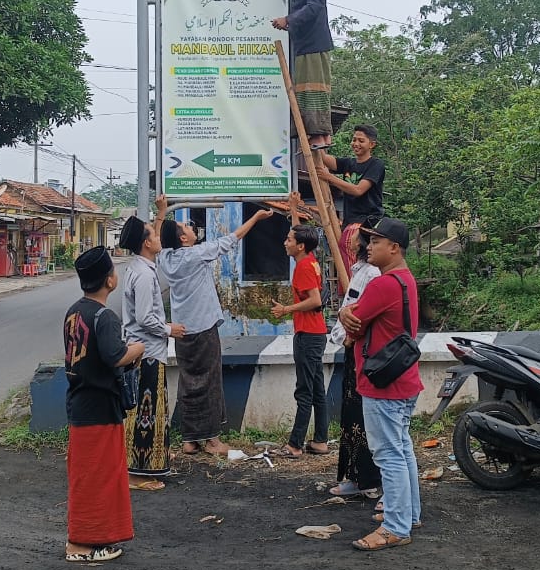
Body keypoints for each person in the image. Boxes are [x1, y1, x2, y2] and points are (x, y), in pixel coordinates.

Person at [158, 204, 276, 455]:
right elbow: (232, 238)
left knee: (188, 381)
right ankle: (212, 440)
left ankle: (190, 439)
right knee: (209, 381)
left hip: (182, 331)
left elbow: (159, 237)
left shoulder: (165, 259)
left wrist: (160, 213)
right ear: (182, 239)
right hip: (203, 327)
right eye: (185, 227)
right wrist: (255, 216)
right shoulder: (196, 254)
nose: (190, 227)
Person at [340, 217, 422, 551]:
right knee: (402, 449)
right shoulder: (405, 280)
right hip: (402, 379)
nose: (368, 246)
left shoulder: (383, 284)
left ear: (395, 248)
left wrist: (346, 315)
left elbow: (354, 325)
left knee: (388, 455)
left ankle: (396, 527)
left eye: (375, 242)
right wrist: (349, 314)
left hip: (382, 384)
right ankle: (408, 514)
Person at [62, 246, 144, 563]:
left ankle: (89, 540)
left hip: (80, 402)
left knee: (86, 475)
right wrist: (137, 349)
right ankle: (82, 545)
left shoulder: (73, 311)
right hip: (99, 407)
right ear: (109, 280)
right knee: (98, 477)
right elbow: (115, 356)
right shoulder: (104, 316)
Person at [119, 197, 186, 489]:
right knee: (145, 414)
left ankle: (147, 464)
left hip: (143, 349)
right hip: (147, 351)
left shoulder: (139, 266)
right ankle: (139, 473)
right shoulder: (144, 276)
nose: (159, 238)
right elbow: (146, 318)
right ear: (147, 243)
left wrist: (160, 213)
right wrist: (169, 328)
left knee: (146, 411)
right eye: (154, 234)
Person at [330, 219, 382, 497]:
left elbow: (362, 312)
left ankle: (370, 478)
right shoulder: (359, 271)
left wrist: (349, 334)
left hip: (364, 351)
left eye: (354, 234)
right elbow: (348, 308)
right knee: (351, 417)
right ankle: (354, 475)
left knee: (365, 419)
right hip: (352, 350)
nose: (348, 238)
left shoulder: (373, 273)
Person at [270, 224, 329, 457]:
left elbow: (315, 300)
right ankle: (320, 441)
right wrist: (294, 210)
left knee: (304, 391)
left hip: (308, 334)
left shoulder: (303, 266)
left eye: (289, 239)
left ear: (300, 246)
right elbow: (303, 232)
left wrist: (286, 309)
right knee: (316, 390)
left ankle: (295, 445)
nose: (285, 242)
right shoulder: (310, 260)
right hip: (316, 333)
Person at [270, 0, 333, 149]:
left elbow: (315, 6)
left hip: (314, 45)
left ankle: (319, 135)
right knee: (304, 89)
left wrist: (288, 20)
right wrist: (289, 25)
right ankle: (317, 136)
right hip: (304, 44)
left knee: (313, 89)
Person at [316, 123, 385, 225]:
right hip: (349, 221)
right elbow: (325, 159)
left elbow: (358, 190)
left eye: (361, 141)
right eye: (354, 140)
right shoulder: (348, 163)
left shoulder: (376, 165)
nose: (356, 144)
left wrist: (329, 177)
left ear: (372, 145)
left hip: (368, 221)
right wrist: (317, 140)